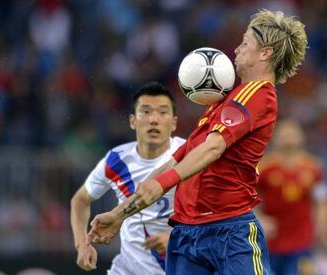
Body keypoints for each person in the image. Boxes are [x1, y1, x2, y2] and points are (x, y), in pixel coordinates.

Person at [87, 9, 308, 275]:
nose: (236, 50)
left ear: (265, 53)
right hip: (187, 233)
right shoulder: (225, 104)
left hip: (230, 232)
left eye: (245, 43)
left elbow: (213, 148)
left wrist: (163, 184)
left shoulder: (259, 93)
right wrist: (120, 214)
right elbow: (177, 160)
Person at [70, 82, 185, 274]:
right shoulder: (116, 160)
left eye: (163, 112)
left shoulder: (190, 154)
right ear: (132, 121)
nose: (154, 120)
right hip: (127, 269)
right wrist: (82, 245)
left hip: (178, 265)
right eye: (146, 112)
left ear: (174, 123)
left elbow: (214, 214)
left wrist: (176, 238)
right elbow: (80, 200)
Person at [255, 119, 327, 275]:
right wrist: (260, 218)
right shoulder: (264, 167)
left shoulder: (313, 167)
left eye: (292, 133)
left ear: (301, 137)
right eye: (284, 134)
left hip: (302, 242)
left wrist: (323, 229)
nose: (288, 137)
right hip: (271, 241)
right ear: (275, 137)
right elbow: (247, 197)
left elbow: (323, 201)